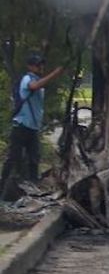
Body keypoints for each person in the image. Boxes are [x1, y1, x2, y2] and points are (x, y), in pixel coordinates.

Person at [2, 52, 65, 200]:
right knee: (13, 158)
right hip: (22, 126)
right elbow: (34, 86)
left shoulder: (37, 79)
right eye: (37, 65)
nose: (40, 67)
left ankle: (32, 188)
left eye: (41, 64)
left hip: (33, 128)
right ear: (30, 66)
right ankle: (3, 187)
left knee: (34, 159)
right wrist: (55, 74)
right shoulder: (28, 79)